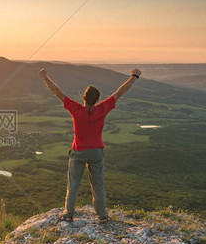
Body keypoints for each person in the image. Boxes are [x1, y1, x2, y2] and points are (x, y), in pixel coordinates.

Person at [38, 67, 142, 223]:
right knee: (98, 184)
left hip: (78, 151)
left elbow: (58, 93)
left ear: (84, 98)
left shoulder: (76, 109)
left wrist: (45, 77)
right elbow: (120, 92)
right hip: (96, 152)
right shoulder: (102, 109)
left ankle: (68, 214)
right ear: (98, 99)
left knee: (73, 183)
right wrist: (134, 76)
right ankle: (102, 216)